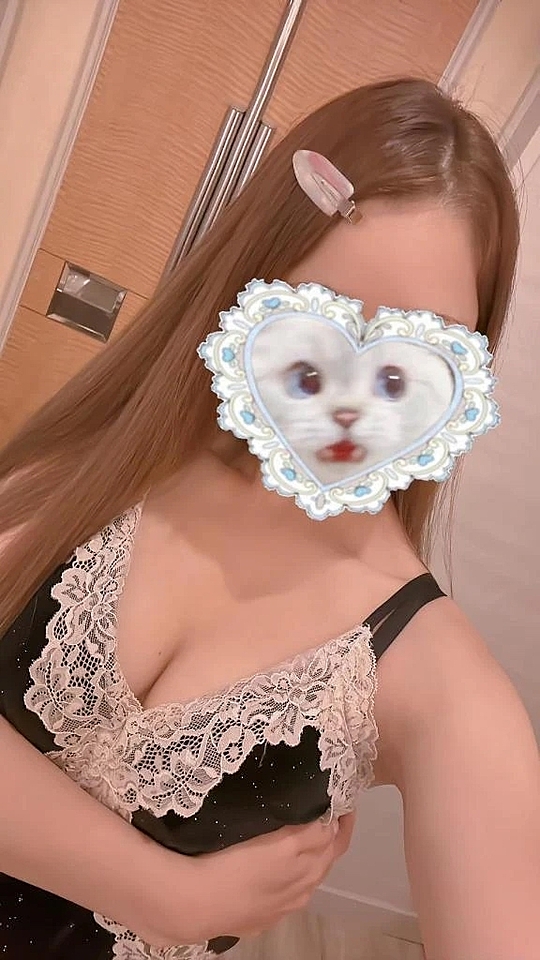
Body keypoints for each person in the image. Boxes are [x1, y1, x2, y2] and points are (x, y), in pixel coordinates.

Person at [0, 77, 538, 960]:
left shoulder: (436, 683)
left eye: (411, 354)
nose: (350, 402)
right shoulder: (94, 469)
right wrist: (166, 894)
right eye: (324, 321)